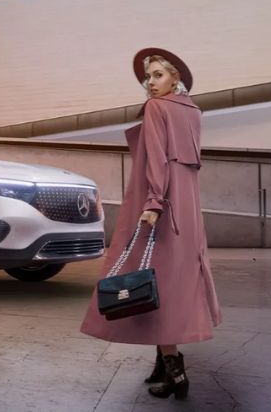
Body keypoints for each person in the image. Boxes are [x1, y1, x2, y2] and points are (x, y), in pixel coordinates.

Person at [79, 48, 222, 400]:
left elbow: (157, 158)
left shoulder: (157, 108)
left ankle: (175, 371)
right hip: (187, 213)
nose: (151, 83)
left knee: (150, 281)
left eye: (158, 75)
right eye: (149, 77)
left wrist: (153, 203)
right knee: (172, 285)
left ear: (176, 78)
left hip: (161, 206)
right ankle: (163, 362)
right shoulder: (193, 111)